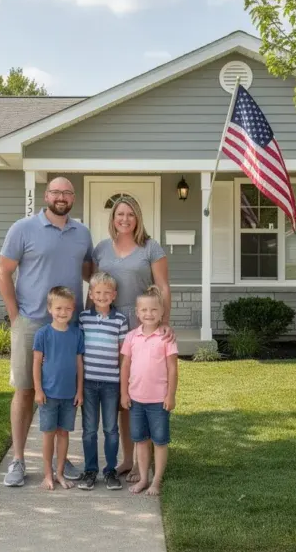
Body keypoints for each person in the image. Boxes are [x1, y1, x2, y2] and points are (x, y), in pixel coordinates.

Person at [0, 177, 93, 487]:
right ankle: (19, 460)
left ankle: (61, 460)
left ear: (73, 197)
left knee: (65, 393)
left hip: (69, 327)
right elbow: (4, 272)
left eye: (67, 192)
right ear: (46, 195)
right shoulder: (23, 229)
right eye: (56, 191)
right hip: (32, 324)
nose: (61, 196)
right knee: (26, 391)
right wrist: (16, 318)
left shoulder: (82, 233)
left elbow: (91, 272)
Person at [88, 195, 174, 481]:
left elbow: (163, 285)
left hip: (140, 326)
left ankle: (140, 463)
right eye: (119, 214)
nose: (124, 219)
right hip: (108, 328)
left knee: (137, 394)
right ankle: (126, 458)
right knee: (117, 391)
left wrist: (164, 322)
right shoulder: (101, 249)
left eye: (130, 214)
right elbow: (93, 285)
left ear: (138, 217)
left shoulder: (151, 247)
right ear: (113, 218)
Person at [120, 285, 179, 496]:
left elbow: (173, 368)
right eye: (144, 310)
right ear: (137, 312)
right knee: (141, 440)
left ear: (162, 313)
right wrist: (124, 394)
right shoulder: (131, 337)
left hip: (158, 401)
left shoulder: (166, 338)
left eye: (154, 310)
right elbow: (125, 366)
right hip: (136, 400)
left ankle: (156, 480)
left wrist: (170, 395)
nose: (149, 314)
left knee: (160, 441)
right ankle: (144, 478)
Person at [75, 271, 129, 491]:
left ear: (114, 295)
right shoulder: (83, 318)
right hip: (88, 383)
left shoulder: (120, 320)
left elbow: (122, 355)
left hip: (110, 384)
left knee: (110, 429)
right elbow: (79, 352)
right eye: (98, 292)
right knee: (89, 429)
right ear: (91, 293)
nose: (102, 296)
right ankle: (90, 470)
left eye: (107, 292)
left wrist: (123, 386)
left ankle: (110, 471)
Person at [33, 286, 85, 490]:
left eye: (68, 309)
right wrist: (38, 389)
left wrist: (79, 390)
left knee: (64, 434)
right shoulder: (43, 334)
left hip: (69, 395)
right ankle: (48, 475)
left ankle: (60, 473)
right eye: (59, 308)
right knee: (48, 433)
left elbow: (79, 364)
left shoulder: (76, 334)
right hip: (48, 395)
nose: (63, 312)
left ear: (73, 310)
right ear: (50, 309)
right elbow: (36, 363)